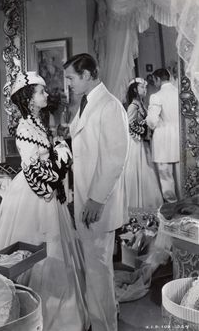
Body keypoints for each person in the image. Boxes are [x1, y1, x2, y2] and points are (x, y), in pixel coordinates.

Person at [0, 71, 89, 331]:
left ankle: (58, 312)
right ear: (29, 98)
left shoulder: (38, 122)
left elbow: (49, 151)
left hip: (46, 191)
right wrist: (59, 158)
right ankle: (29, 310)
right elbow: (33, 169)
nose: (46, 95)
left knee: (54, 250)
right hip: (34, 194)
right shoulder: (24, 127)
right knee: (37, 249)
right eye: (41, 91)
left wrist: (59, 150)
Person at [64, 53, 129, 331]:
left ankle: (104, 326)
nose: (68, 84)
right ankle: (100, 321)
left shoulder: (110, 106)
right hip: (86, 199)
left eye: (71, 78)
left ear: (88, 74)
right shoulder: (86, 104)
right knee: (96, 269)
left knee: (99, 270)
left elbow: (115, 157)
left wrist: (95, 198)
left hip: (96, 203)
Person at [124, 77, 163, 209]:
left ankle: (149, 205)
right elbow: (130, 126)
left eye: (146, 87)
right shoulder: (133, 106)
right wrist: (144, 127)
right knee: (139, 171)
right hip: (136, 144)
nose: (145, 90)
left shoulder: (140, 104)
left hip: (143, 143)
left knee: (147, 171)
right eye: (142, 87)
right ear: (135, 89)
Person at [146, 68, 180, 203]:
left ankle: (172, 205)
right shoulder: (180, 93)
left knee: (165, 175)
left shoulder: (156, 96)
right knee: (180, 175)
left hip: (163, 139)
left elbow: (152, 121)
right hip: (180, 137)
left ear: (158, 79)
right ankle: (186, 207)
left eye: (154, 80)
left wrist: (153, 122)